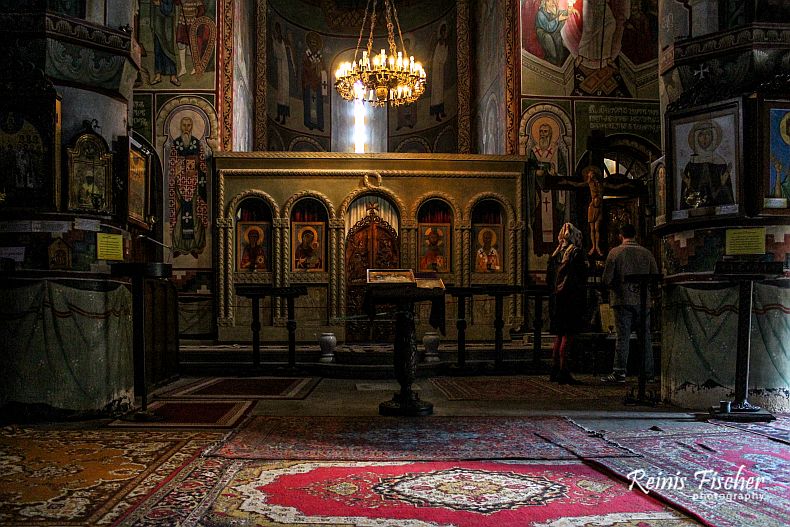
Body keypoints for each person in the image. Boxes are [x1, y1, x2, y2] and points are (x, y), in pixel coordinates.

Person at [601, 223, 658, 383]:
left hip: (622, 299)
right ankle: (648, 373)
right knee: (645, 337)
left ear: (621, 235)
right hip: (643, 300)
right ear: (635, 235)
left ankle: (619, 372)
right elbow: (654, 276)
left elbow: (606, 279)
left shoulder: (615, 253)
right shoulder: (647, 253)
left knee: (623, 337)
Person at [547, 222, 588, 384]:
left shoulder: (556, 253)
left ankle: (554, 369)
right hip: (570, 299)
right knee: (567, 336)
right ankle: (564, 371)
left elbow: (549, 278)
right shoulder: (575, 253)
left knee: (559, 335)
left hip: (556, 299)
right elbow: (580, 276)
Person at [169, 115, 209, 258]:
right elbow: (171, 164)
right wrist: (179, 166)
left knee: (195, 214)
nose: (186, 128)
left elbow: (203, 165)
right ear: (180, 127)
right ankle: (179, 246)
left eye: (189, 125)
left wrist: (197, 163)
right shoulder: (176, 144)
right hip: (180, 185)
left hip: (194, 186)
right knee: (180, 214)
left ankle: (194, 246)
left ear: (192, 127)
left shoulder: (197, 144)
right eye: (184, 125)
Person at [679, 120, 734, 209]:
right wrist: (689, 186)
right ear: (696, 138)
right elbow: (686, 198)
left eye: (708, 134)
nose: (704, 138)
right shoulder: (691, 164)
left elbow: (727, 195)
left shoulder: (719, 162)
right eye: (701, 135)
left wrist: (723, 184)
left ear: (713, 137)